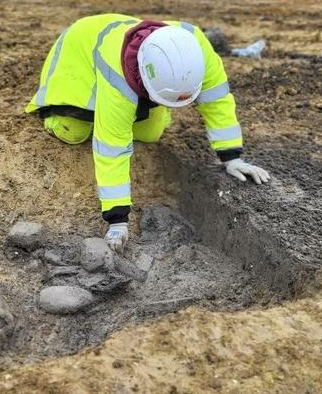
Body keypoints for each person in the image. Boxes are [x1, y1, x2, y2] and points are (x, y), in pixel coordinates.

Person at [25, 14, 270, 253]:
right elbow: (112, 147)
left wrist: (231, 157)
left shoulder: (197, 50)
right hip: (79, 53)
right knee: (73, 131)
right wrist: (117, 220)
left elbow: (217, 101)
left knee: (150, 132)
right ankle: (59, 116)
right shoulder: (117, 78)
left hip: (133, 67)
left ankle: (131, 111)